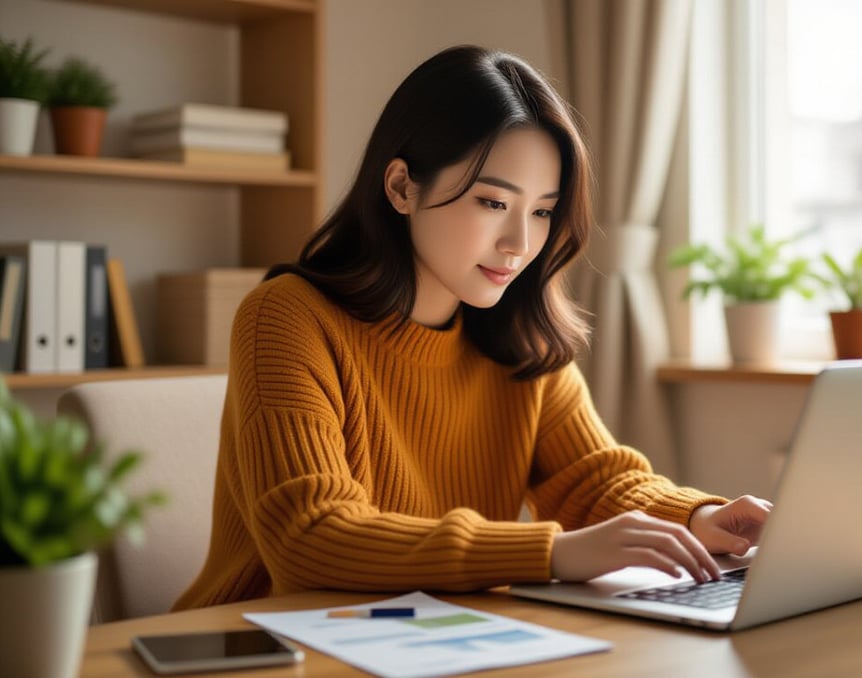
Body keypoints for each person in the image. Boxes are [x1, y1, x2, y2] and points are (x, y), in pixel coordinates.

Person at [174, 45, 771, 610]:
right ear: (402, 187)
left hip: (437, 634)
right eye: (492, 202)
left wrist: (697, 518)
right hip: (267, 645)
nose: (519, 243)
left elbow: (593, 480)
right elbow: (309, 537)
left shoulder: (521, 334)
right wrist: (553, 552)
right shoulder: (287, 317)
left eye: (541, 211)